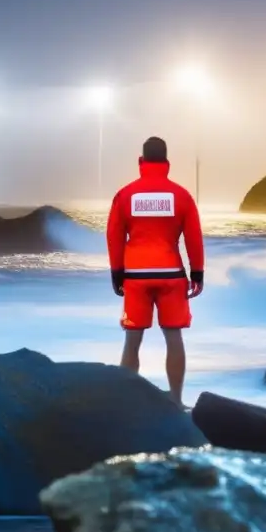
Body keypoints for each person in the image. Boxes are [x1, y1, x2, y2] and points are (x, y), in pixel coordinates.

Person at [106, 136, 204, 406]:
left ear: (141, 161)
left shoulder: (125, 195)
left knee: (132, 341)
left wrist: (117, 272)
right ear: (167, 163)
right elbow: (193, 237)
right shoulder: (181, 195)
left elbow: (114, 236)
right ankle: (175, 400)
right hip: (171, 274)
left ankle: (126, 403)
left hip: (136, 276)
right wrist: (197, 273)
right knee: (174, 337)